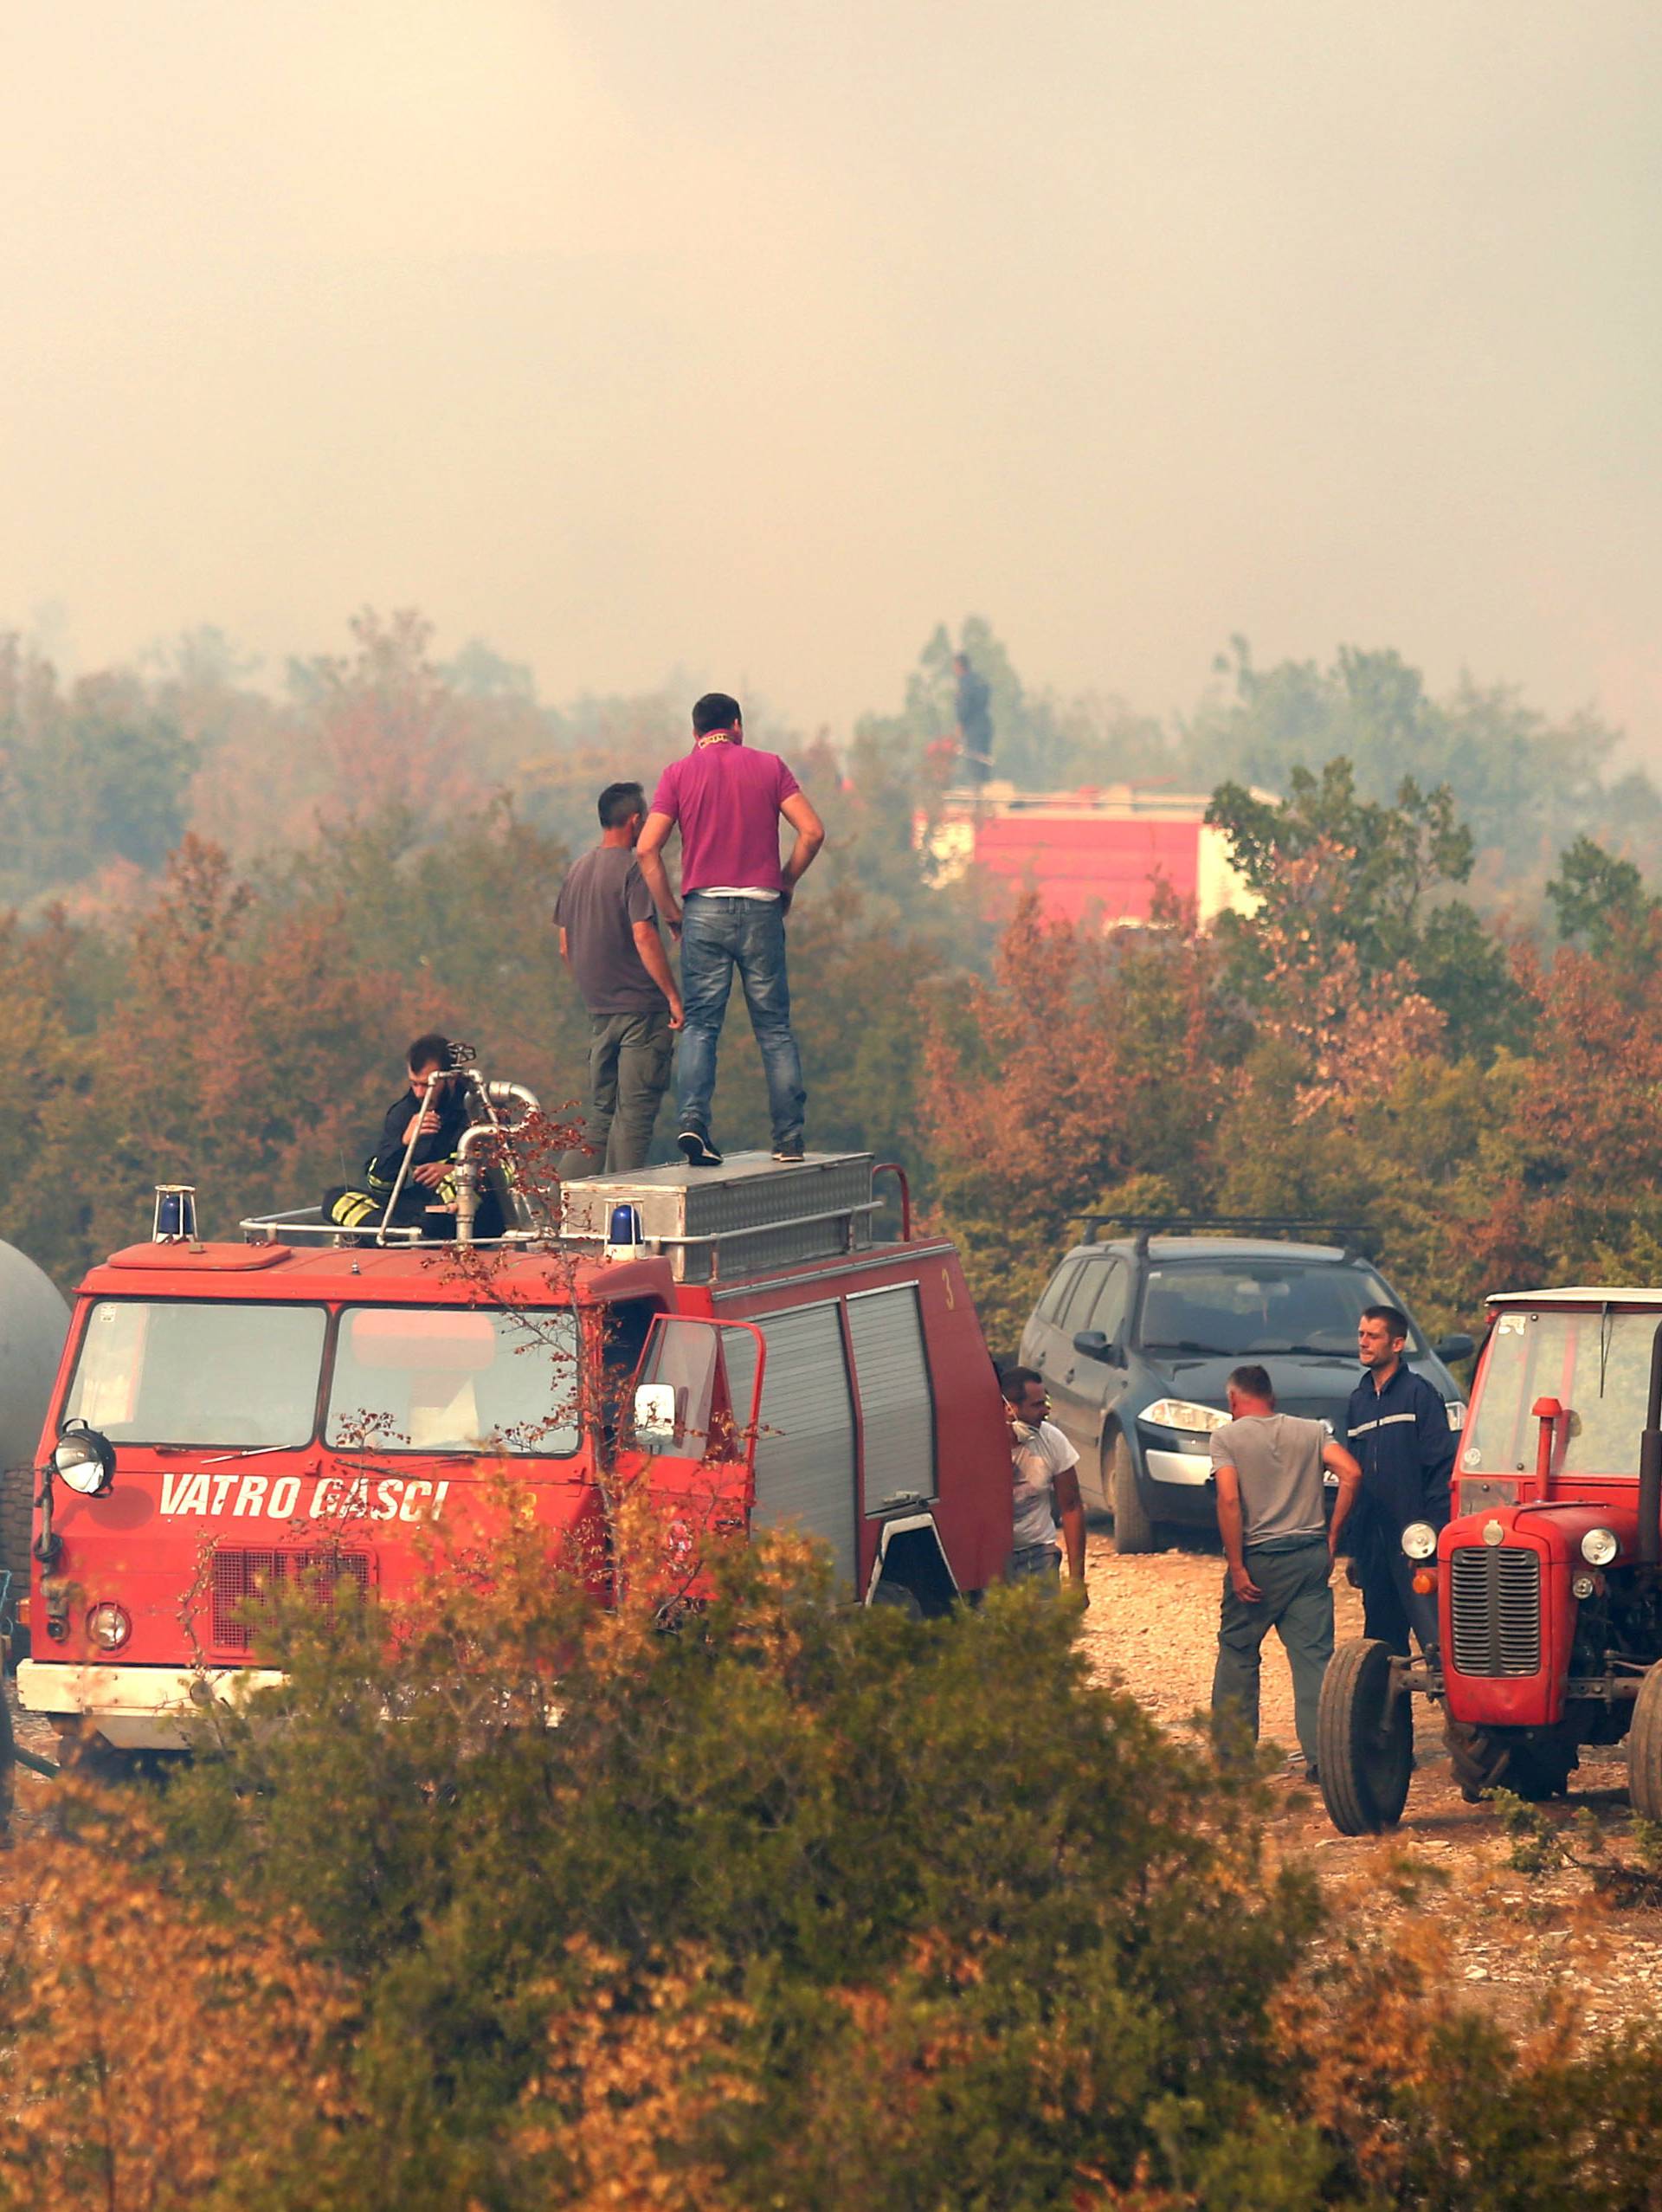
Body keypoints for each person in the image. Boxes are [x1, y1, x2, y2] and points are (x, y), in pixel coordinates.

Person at [635, 693, 824, 1168]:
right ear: (737, 726)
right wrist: (786, 880)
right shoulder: (770, 766)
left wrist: (671, 912)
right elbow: (813, 831)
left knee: (701, 1024)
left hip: (704, 910)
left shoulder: (678, 774)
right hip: (762, 908)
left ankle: (694, 1123)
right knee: (775, 1028)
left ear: (696, 733)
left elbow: (646, 850)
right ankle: (789, 1140)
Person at [1210, 1364, 1362, 1777]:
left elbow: (1228, 1499)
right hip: (1310, 1555)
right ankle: (1324, 1759)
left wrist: (1237, 1565)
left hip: (1260, 1559)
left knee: (1239, 1652)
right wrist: (1332, 1539)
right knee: (1314, 1658)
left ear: (1233, 1400)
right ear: (1271, 1398)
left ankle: (1234, 1762)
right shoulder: (1311, 1431)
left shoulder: (1226, 1437)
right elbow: (1351, 1472)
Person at [554, 781, 685, 1178]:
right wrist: (673, 998)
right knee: (633, 1119)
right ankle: (621, 1218)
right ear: (635, 820)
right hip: (641, 1013)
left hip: (600, 1012)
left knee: (599, 1120)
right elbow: (644, 934)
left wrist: (595, 987)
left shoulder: (577, 870)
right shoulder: (634, 869)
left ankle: (556, 1209)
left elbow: (565, 944)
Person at [1343, 1305, 1459, 1656]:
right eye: (1361, 1334)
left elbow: (1441, 1470)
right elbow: (1356, 1475)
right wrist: (1355, 1547)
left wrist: (1429, 1538)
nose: (1363, 1342)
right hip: (1374, 1546)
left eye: (1373, 1336)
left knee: (1436, 1643)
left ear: (1397, 1344)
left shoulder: (1419, 1395)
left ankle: (1459, 1710)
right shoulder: (1358, 1401)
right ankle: (1391, 1714)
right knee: (1381, 1647)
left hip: (1414, 1546)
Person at [325, 1035, 500, 1241]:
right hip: (419, 1207)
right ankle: (401, 1238)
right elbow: (380, 1186)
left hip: (478, 1216)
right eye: (414, 1084)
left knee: (455, 1182)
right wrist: (404, 1144)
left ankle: (413, 1236)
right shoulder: (403, 1113)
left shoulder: (479, 1107)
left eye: (427, 1085)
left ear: (450, 1079)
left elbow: (508, 1172)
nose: (419, 1093)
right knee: (336, 1199)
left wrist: (456, 1170)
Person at [997, 1367, 1088, 1601]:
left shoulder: (1052, 1440)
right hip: (992, 1559)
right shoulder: (978, 1445)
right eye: (1036, 1405)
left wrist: (1077, 1581)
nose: (1046, 1411)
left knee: (1042, 1632)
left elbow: (1071, 1506)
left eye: (1045, 1402)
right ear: (1010, 1408)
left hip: (1038, 1554)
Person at [953, 651, 993, 787]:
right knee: (984, 760)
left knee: (974, 759)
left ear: (959, 666)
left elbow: (965, 705)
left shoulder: (965, 682)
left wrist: (960, 723)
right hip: (985, 725)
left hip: (973, 728)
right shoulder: (980, 680)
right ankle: (985, 787)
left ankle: (977, 793)